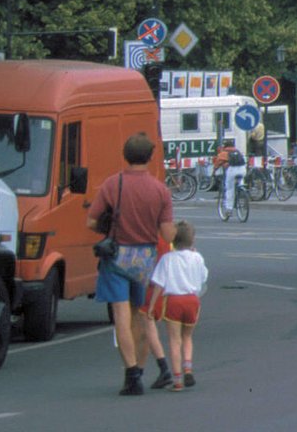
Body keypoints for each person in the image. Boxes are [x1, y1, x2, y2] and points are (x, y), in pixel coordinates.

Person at [87, 132, 177, 396]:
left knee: (121, 315)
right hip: (145, 258)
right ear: (150, 157)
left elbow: (91, 222)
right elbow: (168, 234)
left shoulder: (113, 184)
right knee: (141, 314)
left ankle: (131, 375)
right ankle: (140, 367)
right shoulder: (161, 190)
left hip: (117, 255)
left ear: (125, 156)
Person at [145, 220, 208, 391]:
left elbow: (158, 283)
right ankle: (188, 367)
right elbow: (203, 278)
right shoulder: (197, 257)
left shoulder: (167, 259)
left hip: (173, 301)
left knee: (174, 340)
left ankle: (177, 380)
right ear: (192, 241)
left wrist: (151, 306)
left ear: (172, 240)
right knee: (187, 337)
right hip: (192, 300)